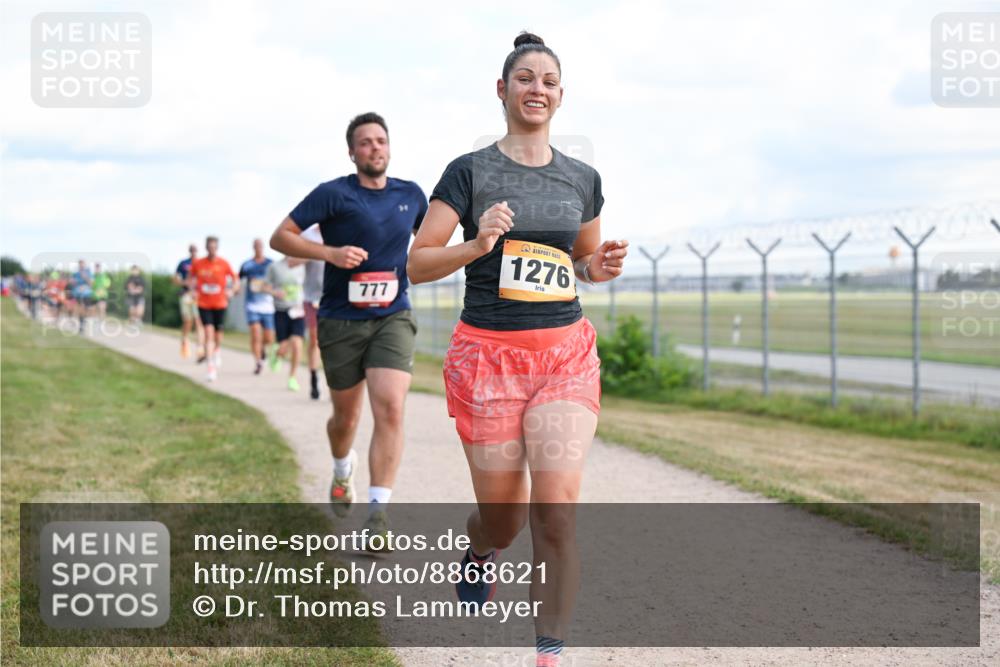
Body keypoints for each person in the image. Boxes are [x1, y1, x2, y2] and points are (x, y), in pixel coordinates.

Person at [407, 33, 628, 667]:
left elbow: (579, 261)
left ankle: (549, 654)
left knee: (555, 510)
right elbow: (418, 264)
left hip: (564, 357)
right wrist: (475, 246)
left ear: (561, 96)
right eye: (525, 78)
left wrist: (597, 269)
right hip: (490, 359)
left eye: (550, 81)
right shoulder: (468, 171)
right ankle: (481, 551)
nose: (538, 89)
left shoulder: (582, 178)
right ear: (502, 90)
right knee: (503, 520)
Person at [270, 112, 427, 542]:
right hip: (341, 319)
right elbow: (280, 237)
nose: (375, 148)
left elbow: (432, 241)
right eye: (365, 142)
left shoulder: (411, 195)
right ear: (352, 152)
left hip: (393, 314)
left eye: (381, 140)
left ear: (389, 147)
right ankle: (342, 468)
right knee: (346, 418)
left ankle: (378, 514)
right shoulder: (333, 194)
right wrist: (331, 254)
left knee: (391, 407)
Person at [191, 236, 240, 382]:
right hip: (204, 304)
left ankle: (217, 350)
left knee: (218, 335)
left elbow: (235, 279)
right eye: (210, 247)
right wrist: (192, 289)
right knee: (208, 333)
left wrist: (232, 290)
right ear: (206, 248)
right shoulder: (198, 263)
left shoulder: (224, 263)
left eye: (214, 247)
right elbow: (190, 278)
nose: (212, 250)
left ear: (217, 248)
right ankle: (210, 367)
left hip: (220, 304)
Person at [265, 255, 307, 391]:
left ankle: (292, 378)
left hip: (298, 310)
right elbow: (265, 286)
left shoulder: (303, 264)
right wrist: (274, 292)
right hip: (281, 310)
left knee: (297, 343)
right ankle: (277, 354)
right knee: (283, 346)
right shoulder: (275, 267)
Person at [240, 239, 277, 374]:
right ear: (253, 247)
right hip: (252, 305)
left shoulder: (271, 264)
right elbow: (239, 281)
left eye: (260, 246)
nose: (258, 248)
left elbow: (276, 281)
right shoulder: (247, 265)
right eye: (256, 246)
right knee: (255, 333)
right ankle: (258, 363)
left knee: (269, 338)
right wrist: (236, 289)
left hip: (268, 306)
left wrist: (271, 289)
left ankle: (262, 349)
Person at [301, 225, 325, 400]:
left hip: (338, 295)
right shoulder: (307, 235)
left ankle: (337, 381)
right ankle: (314, 378)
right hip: (312, 296)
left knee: (338, 341)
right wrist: (315, 251)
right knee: (315, 339)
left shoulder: (343, 227)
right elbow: (291, 260)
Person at [174, 244, 206, 360]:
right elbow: (176, 279)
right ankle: (185, 340)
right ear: (189, 251)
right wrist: (184, 283)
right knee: (188, 321)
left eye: (195, 250)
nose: (194, 252)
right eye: (192, 250)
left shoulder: (201, 263)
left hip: (197, 296)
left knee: (199, 321)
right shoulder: (183, 264)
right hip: (185, 295)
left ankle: (200, 348)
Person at [70, 259, 94, 332]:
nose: (81, 265)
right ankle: (81, 325)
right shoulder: (75, 273)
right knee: (81, 308)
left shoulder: (88, 272)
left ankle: (83, 320)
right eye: (80, 264)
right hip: (78, 293)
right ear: (78, 265)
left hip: (87, 293)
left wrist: (85, 277)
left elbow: (91, 284)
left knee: (87, 309)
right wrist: (73, 282)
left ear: (84, 264)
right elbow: (72, 283)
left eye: (83, 264)